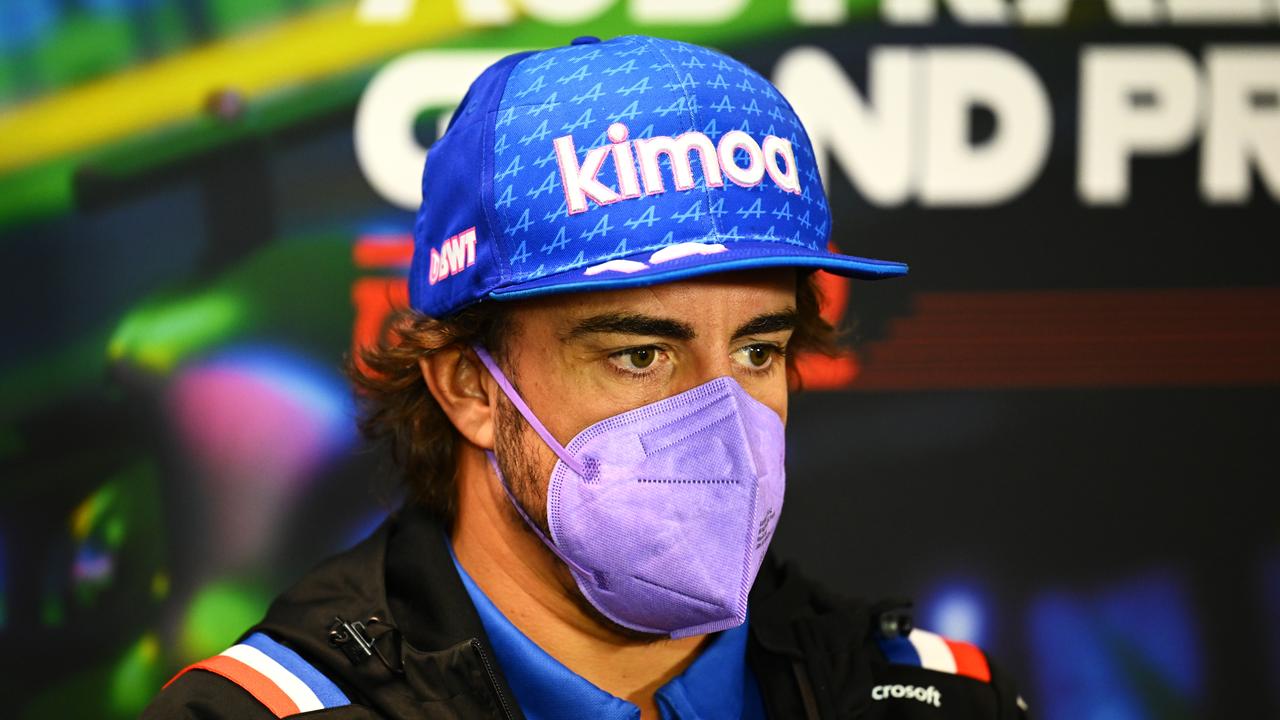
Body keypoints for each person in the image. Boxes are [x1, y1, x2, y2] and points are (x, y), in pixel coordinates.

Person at [143, 34, 1029, 719]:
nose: (723, 420)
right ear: (469, 387)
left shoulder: (932, 697)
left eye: (759, 350)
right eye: (640, 353)